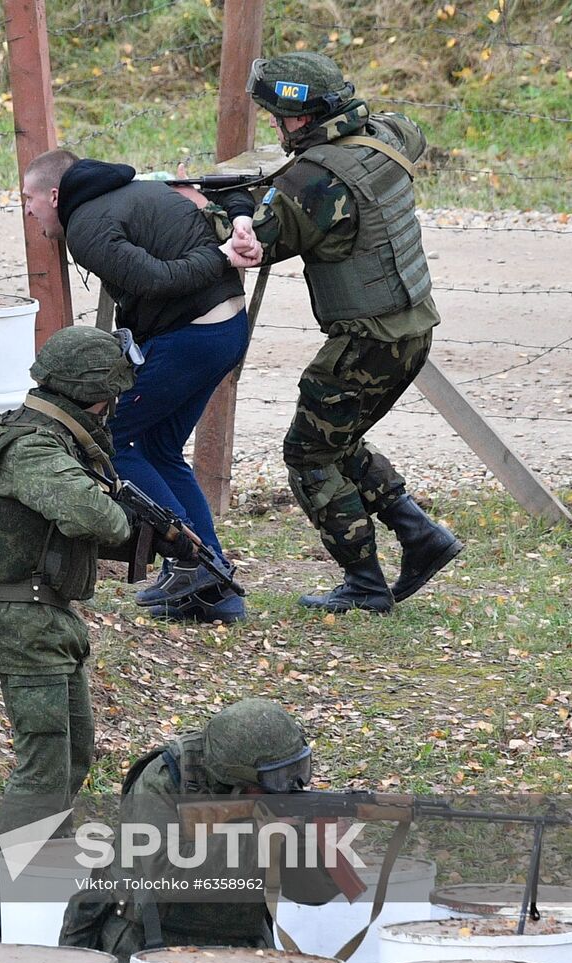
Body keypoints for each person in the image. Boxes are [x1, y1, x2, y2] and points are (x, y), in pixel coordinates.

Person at [230, 52, 462, 612]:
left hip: (366, 342)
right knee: (335, 440)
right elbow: (410, 128)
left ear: (304, 118)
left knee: (308, 455)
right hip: (411, 328)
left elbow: (255, 238)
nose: (276, 128)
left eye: (280, 118)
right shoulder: (389, 136)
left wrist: (218, 211)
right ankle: (421, 536)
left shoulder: (312, 182)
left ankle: (364, 585)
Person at [0, 324, 147, 939]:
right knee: (42, 765)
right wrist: (126, 518)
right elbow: (92, 514)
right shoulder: (33, 448)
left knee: (74, 755)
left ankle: (41, 883)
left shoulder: (50, 436)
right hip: (22, 620)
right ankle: (8, 904)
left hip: (48, 615)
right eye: (111, 397)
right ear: (94, 396)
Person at [21, 149, 259, 624]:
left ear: (54, 194)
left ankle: (193, 563)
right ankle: (215, 589)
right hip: (225, 330)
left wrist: (220, 257)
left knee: (118, 442)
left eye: (29, 199)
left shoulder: (86, 224)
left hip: (192, 336)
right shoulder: (138, 188)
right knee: (159, 447)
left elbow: (152, 280)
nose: (28, 211)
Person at [60, 699, 341, 963]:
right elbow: (167, 875)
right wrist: (262, 838)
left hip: (243, 945)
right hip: (148, 943)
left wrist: (314, 844)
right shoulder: (165, 779)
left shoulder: (275, 804)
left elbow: (313, 895)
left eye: (298, 769)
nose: (292, 785)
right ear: (236, 778)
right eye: (278, 777)